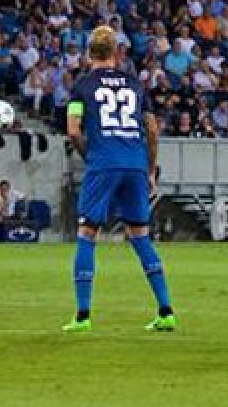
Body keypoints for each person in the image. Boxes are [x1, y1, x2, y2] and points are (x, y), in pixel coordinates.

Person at [63, 25, 175, 333]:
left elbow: (73, 130)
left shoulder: (82, 87)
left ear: (89, 53)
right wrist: (150, 169)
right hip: (136, 164)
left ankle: (83, 316)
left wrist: (92, 156)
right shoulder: (135, 86)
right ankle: (165, 310)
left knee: (87, 232)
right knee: (140, 234)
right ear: (116, 53)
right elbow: (151, 129)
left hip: (104, 162)